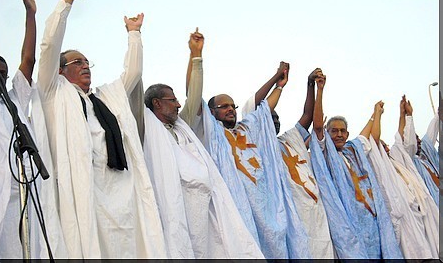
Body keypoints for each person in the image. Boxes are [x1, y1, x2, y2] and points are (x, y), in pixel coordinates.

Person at [36, 0, 166, 258]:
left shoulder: (106, 98)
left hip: (119, 191)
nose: (85, 66)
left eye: (87, 62)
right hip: (83, 189)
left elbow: (132, 74)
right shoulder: (53, 92)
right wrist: (64, 4)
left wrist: (134, 35)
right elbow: (48, 50)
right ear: (60, 70)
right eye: (77, 62)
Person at [141, 29, 264, 259]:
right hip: (171, 206)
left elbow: (194, 97)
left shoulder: (183, 125)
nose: (178, 105)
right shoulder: (144, 128)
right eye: (172, 100)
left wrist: (196, 56)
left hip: (203, 206)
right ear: (156, 103)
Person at [194, 62, 311, 259]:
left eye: (233, 106)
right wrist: (196, 57)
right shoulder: (209, 131)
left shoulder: (246, 129)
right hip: (235, 205)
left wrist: (280, 86)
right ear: (211, 111)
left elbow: (265, 110)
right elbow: (195, 93)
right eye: (224, 106)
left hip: (264, 205)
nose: (231, 109)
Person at [0, 0, 67, 259]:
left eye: (2, 73)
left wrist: (30, 15)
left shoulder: (13, 100)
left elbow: (28, 59)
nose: (0, 77)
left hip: (21, 192)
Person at [242, 67, 334, 259]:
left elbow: (307, 116)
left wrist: (310, 86)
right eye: (270, 117)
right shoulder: (254, 144)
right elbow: (257, 106)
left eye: (276, 118)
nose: (274, 120)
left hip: (312, 211)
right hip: (288, 214)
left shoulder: (289, 140)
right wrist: (278, 82)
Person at [309, 73, 403, 259]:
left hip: (371, 219)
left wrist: (375, 114)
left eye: (342, 131)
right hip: (348, 222)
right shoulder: (325, 153)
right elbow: (317, 127)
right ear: (327, 134)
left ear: (347, 133)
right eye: (334, 131)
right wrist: (320, 90)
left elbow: (370, 137)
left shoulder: (353, 150)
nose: (339, 134)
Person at [365, 95, 438, 258]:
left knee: (433, 248)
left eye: (386, 145)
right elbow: (374, 139)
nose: (386, 147)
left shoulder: (398, 159)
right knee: (417, 253)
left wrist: (404, 114)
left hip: (422, 209)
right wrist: (377, 114)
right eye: (381, 146)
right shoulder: (378, 164)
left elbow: (400, 138)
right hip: (404, 214)